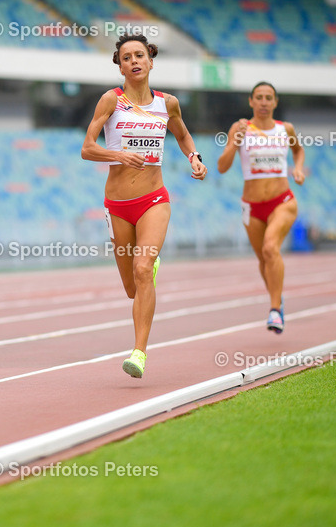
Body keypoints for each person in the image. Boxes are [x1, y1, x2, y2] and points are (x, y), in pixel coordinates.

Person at [81, 34, 207, 379]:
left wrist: (194, 157)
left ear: (151, 61)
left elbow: (181, 135)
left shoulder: (168, 104)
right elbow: (87, 148)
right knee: (131, 288)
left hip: (154, 199)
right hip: (118, 205)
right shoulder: (111, 100)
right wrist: (118, 153)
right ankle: (146, 268)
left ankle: (139, 352)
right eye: (126, 58)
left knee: (141, 268)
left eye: (140, 55)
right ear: (119, 65)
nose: (134, 62)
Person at [217, 82, 305, 333]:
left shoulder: (285, 129)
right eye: (259, 97)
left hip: (282, 202)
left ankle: (275, 309)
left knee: (270, 247)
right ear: (251, 101)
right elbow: (222, 167)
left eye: (269, 98)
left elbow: (298, 151)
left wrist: (297, 168)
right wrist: (235, 141)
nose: (264, 102)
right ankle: (278, 298)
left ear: (275, 102)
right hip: (252, 206)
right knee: (263, 258)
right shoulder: (240, 128)